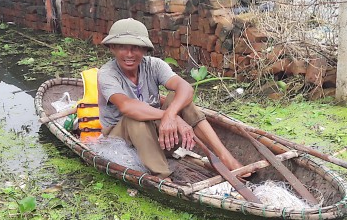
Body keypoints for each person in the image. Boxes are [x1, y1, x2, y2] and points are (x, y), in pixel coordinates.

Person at [97, 18, 244, 180]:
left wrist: (171, 113)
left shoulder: (154, 65)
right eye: (122, 48)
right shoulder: (107, 73)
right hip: (122, 141)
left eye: (136, 48)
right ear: (112, 48)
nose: (130, 54)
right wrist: (169, 116)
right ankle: (162, 175)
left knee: (178, 98)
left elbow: (185, 88)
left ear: (144, 49)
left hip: (157, 136)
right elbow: (127, 106)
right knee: (135, 119)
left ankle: (224, 156)